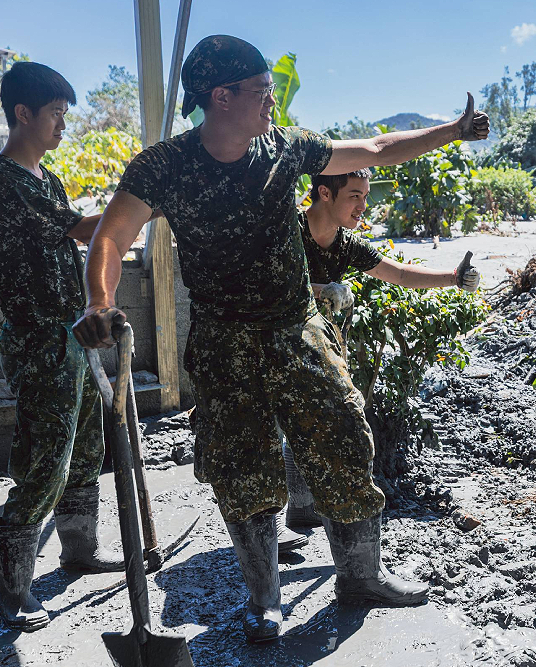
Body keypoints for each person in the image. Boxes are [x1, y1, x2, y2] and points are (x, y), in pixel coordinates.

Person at [71, 35, 489, 643]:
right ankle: (265, 600)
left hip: (297, 330)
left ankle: (361, 576)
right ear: (222, 96)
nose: (272, 100)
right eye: (263, 90)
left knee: (345, 438)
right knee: (243, 469)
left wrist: (453, 131)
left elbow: (375, 148)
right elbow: (111, 236)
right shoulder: (165, 166)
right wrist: (99, 301)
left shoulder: (286, 147)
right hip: (223, 341)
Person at [276, 168, 480, 551]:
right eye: (355, 196)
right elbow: (270, 282)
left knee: (306, 422)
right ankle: (273, 529)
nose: (363, 206)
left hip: (316, 343)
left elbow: (398, 273)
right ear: (325, 193)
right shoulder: (286, 232)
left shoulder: (345, 244)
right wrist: (321, 289)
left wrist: (453, 277)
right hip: (269, 340)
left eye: (366, 196)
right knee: (278, 426)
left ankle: (301, 510)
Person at [0, 62, 126, 632]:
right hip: (38, 338)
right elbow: (80, 228)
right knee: (46, 458)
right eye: (56, 114)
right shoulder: (8, 182)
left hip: (73, 330)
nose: (63, 125)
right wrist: (143, 207)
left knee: (86, 447)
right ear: (23, 113)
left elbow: (73, 232)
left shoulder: (46, 178)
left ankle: (79, 549)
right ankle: (11, 585)